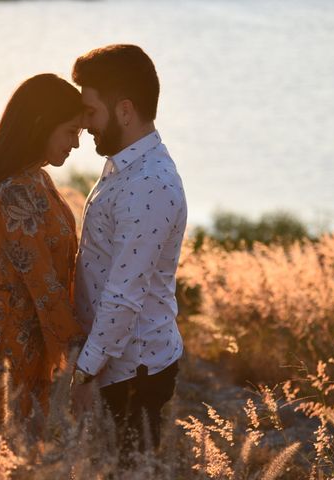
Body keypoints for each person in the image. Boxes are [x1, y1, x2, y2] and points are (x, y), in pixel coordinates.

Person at [70, 45, 188, 457]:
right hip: (117, 363)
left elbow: (124, 294)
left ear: (124, 110)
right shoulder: (128, 166)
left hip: (132, 371)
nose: (84, 125)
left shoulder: (149, 184)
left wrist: (85, 373)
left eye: (91, 111)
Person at [0, 74, 85, 433]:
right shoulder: (15, 194)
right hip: (7, 349)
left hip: (31, 344)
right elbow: (44, 287)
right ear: (41, 125)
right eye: (71, 131)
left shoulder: (38, 180)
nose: (76, 144)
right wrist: (85, 358)